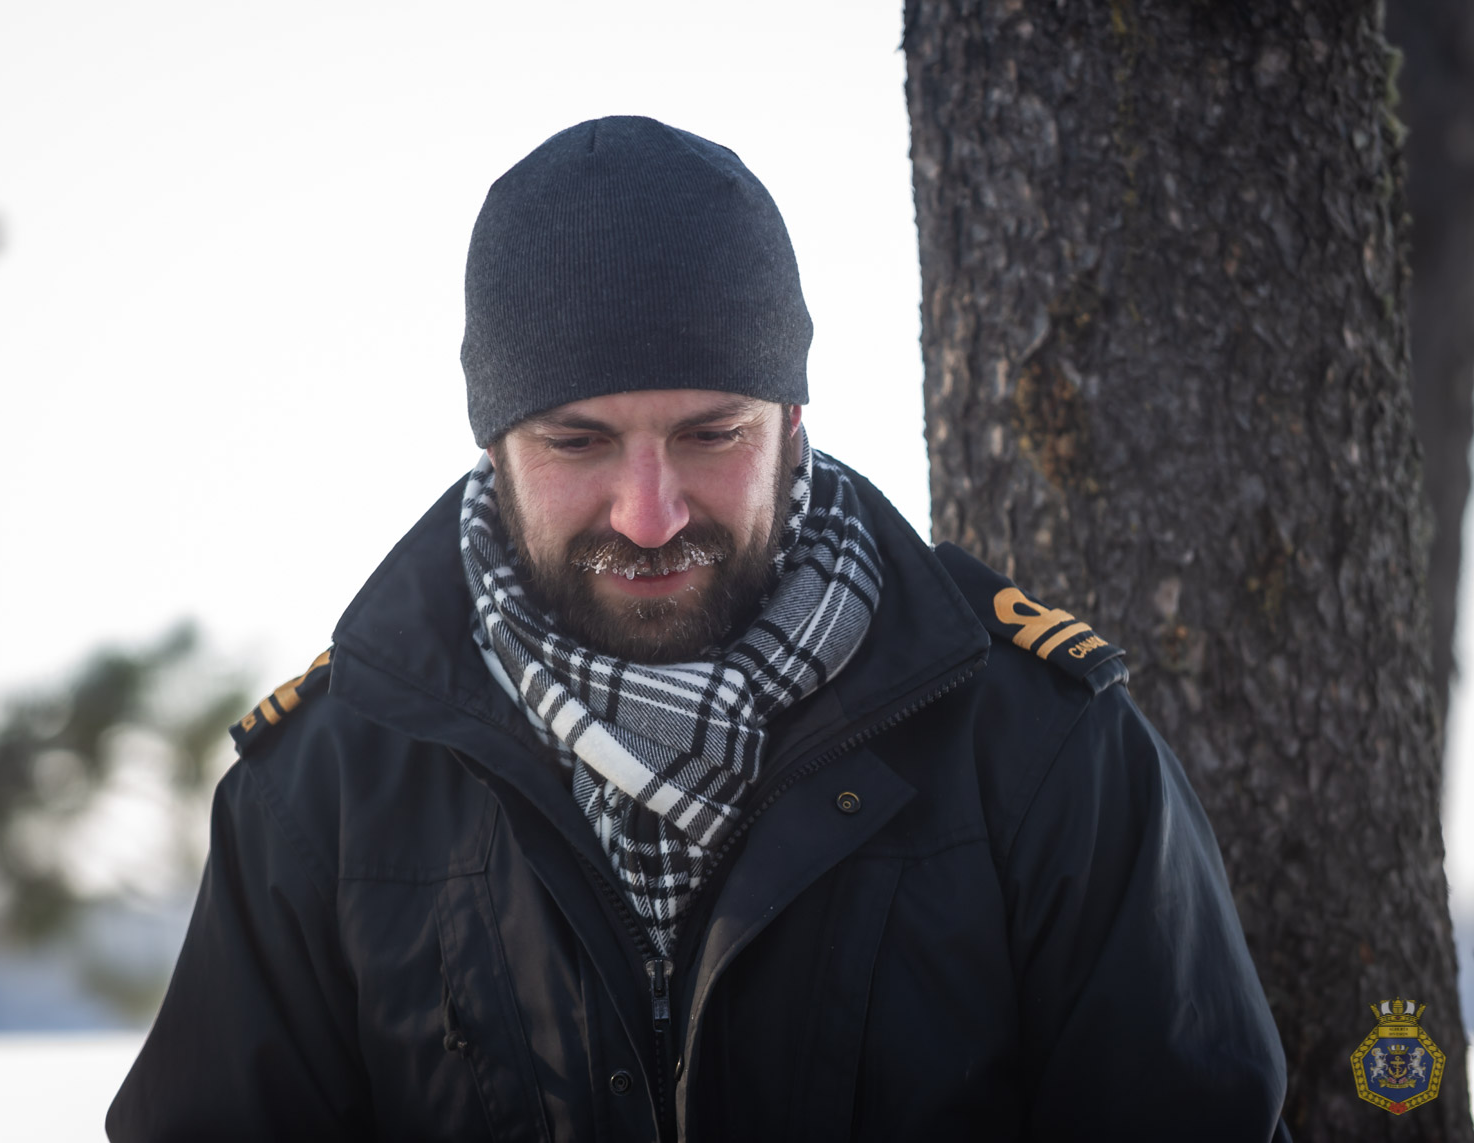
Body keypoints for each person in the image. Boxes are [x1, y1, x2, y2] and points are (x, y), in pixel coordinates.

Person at [107, 115, 1288, 1141]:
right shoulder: (320, 790)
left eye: (710, 434)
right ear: (493, 446)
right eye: (577, 443)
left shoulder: (1041, 747)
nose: (649, 513)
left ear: (791, 420)